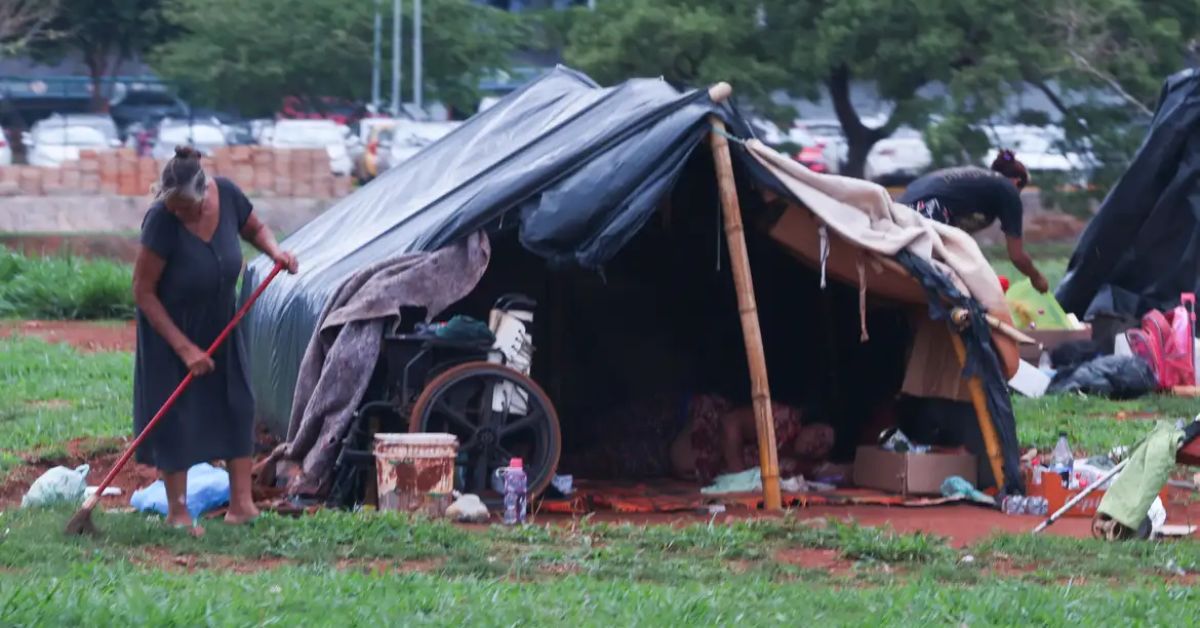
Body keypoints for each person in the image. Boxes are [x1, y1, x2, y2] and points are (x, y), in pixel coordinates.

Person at [132, 146, 298, 532]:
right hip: (172, 328)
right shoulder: (161, 221)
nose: (177, 213)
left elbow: (254, 228)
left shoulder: (228, 195)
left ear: (205, 193)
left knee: (238, 403)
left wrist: (275, 252)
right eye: (172, 206)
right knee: (177, 416)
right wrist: (185, 348)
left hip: (222, 321)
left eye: (185, 208)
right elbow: (143, 291)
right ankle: (178, 513)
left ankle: (242, 506)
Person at [898, 150, 1050, 293]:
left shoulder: (978, 182)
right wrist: (1037, 278)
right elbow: (1017, 255)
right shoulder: (1007, 189)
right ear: (1017, 182)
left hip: (899, 211)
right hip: (926, 214)